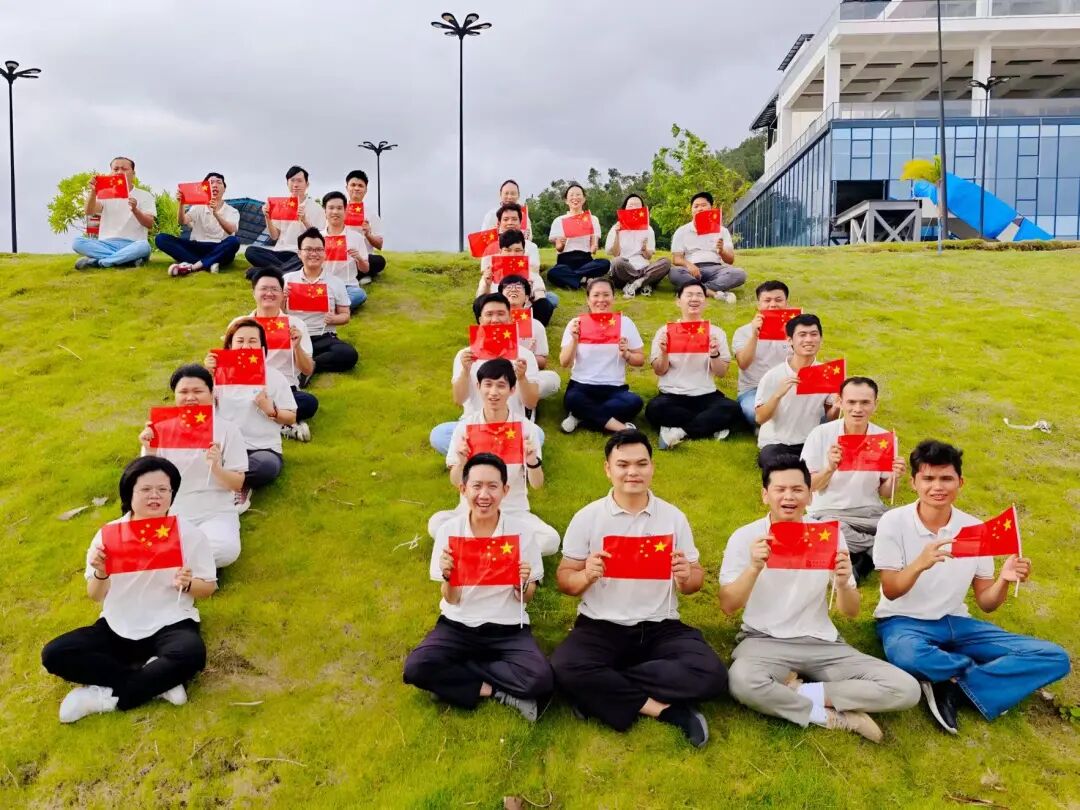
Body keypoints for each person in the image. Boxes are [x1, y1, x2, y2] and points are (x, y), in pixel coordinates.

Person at [874, 440, 1070, 735]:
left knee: (1054, 657)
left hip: (957, 623)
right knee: (908, 655)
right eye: (928, 478)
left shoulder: (975, 529)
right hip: (904, 621)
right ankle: (976, 676)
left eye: (946, 478)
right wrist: (919, 564)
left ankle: (951, 683)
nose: (937, 487)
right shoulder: (893, 521)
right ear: (914, 483)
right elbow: (891, 590)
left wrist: (1003, 579)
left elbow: (986, 603)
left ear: (960, 482)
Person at [721, 455, 921, 742]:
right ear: (765, 495)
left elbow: (851, 611)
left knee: (906, 688)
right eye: (780, 489)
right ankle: (833, 718)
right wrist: (753, 567)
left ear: (810, 495)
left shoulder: (827, 536)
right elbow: (728, 605)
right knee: (741, 681)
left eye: (797, 489)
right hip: (763, 639)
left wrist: (843, 583)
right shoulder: (745, 537)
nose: (789, 497)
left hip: (821, 641)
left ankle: (801, 691)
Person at [550, 430, 728, 747]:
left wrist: (687, 575)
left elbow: (694, 582)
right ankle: (665, 711)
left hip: (660, 625)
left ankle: (600, 688)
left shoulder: (673, 517)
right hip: (601, 625)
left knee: (711, 674)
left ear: (652, 467)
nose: (632, 472)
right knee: (564, 666)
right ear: (608, 469)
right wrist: (586, 575)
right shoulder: (588, 517)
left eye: (641, 464)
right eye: (623, 465)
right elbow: (565, 579)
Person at [41, 457, 216, 723]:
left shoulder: (188, 534)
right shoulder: (109, 535)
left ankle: (105, 698)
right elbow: (95, 595)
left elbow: (209, 587)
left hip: (171, 622)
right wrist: (101, 571)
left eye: (163, 489)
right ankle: (157, 681)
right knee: (55, 654)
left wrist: (189, 583)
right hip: (117, 625)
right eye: (146, 489)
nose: (155, 496)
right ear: (129, 493)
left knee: (191, 654)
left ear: (172, 493)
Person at [403, 453, 553, 721]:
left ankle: (455, 675)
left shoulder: (522, 532)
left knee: (541, 680)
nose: (484, 494)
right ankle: (494, 691)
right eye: (477, 486)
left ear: (505, 490)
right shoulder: (449, 531)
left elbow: (526, 598)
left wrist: (522, 584)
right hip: (458, 624)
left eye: (493, 486)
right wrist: (449, 577)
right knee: (415, 668)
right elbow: (451, 599)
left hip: (508, 626)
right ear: (463, 489)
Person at [429, 359, 560, 555]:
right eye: (488, 385)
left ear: (512, 390)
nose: (493, 392)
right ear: (478, 387)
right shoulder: (465, 427)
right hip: (471, 510)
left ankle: (479, 550)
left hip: (512, 511)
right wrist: (462, 462)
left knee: (550, 541)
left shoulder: (525, 429)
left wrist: (532, 460)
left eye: (501, 386)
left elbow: (537, 484)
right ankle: (500, 551)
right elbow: (456, 481)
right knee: (436, 524)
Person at [139, 364, 247, 568]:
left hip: (216, 511)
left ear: (211, 393)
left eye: (198, 391)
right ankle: (197, 567)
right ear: (175, 395)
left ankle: (174, 565)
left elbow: (237, 484)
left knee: (225, 550)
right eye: (183, 392)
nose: (190, 397)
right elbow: (145, 483)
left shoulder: (228, 430)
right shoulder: (160, 430)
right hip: (173, 509)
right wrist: (150, 450)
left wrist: (216, 467)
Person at [801, 376, 905, 582]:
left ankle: (864, 555)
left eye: (865, 402)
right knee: (829, 532)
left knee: (905, 522)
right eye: (851, 402)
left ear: (875, 404)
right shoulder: (820, 434)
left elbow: (886, 493)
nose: (858, 409)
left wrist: (895, 476)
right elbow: (807, 487)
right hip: (829, 512)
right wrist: (830, 468)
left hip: (870, 511)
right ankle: (877, 548)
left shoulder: (884, 438)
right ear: (840, 402)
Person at [429, 293, 546, 455]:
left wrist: (522, 378)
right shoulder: (465, 355)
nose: (495, 320)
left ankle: (481, 455)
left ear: (510, 318)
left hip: (510, 425)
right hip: (475, 424)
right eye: (489, 314)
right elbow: (459, 399)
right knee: (439, 435)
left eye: (501, 314)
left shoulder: (525, 356)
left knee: (537, 435)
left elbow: (531, 403)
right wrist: (465, 371)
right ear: (480, 319)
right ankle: (498, 455)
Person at [204, 319, 298, 512]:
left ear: (262, 347)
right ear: (229, 346)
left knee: (267, 466)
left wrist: (271, 410)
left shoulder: (274, 376)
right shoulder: (217, 376)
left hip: (261, 449)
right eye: (240, 341)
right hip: (224, 448)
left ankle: (235, 483)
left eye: (252, 341)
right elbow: (201, 413)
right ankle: (226, 478)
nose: (246, 346)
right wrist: (207, 376)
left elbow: (291, 417)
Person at [645, 279, 743, 450]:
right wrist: (664, 352)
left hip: (706, 394)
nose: (694, 299)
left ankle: (678, 431)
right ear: (678, 301)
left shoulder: (716, 333)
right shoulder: (665, 331)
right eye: (689, 295)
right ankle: (710, 426)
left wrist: (714, 353)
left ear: (705, 302)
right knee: (654, 409)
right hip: (672, 394)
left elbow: (721, 372)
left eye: (699, 295)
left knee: (732, 409)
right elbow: (659, 370)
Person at [236, 267, 317, 438]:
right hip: (248, 386)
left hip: (285, 388)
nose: (269, 293)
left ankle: (261, 420)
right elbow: (229, 363)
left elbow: (308, 369)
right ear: (254, 293)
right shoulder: (240, 324)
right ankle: (284, 424)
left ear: (282, 295)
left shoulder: (296, 324)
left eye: (274, 289)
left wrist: (297, 347)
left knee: (308, 402)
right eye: (264, 288)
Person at [559, 277, 644, 434]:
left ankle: (580, 416)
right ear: (588, 299)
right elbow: (564, 362)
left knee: (634, 402)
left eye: (606, 295)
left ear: (613, 297)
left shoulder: (625, 323)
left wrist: (626, 354)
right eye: (596, 295)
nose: (601, 300)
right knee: (573, 399)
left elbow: (640, 359)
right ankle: (622, 428)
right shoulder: (576, 323)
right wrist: (575, 340)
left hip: (614, 388)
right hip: (582, 386)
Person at [755, 314, 839, 468]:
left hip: (809, 441)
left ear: (821, 339)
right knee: (775, 462)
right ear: (789, 340)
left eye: (814, 334)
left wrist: (837, 407)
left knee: (834, 462)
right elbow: (760, 418)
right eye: (802, 335)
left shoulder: (827, 374)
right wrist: (777, 395)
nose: (808, 339)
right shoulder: (773, 376)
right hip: (777, 442)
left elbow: (830, 419)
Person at [282, 228, 358, 376]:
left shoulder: (336, 282)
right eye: (308, 249)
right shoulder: (287, 279)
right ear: (299, 253)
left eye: (318, 250)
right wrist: (282, 299)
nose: (314, 254)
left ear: (324, 253)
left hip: (322, 336)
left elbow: (345, 315)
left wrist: (334, 319)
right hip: (294, 335)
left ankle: (310, 366)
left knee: (348, 354)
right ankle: (303, 362)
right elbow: (277, 314)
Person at [73, 156, 155, 270]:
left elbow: (150, 224)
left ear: (133, 173)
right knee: (77, 242)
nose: (119, 172)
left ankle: (99, 262)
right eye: (115, 169)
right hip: (106, 244)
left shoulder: (145, 195)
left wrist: (135, 210)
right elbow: (89, 211)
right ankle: (126, 260)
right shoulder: (104, 194)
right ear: (111, 173)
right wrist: (93, 191)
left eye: (124, 169)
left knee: (144, 246)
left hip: (133, 244)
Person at [732, 280, 794, 427]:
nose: (773, 304)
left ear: (786, 303)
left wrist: (795, 336)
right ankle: (769, 426)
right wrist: (755, 336)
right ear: (758, 305)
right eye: (767, 300)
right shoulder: (743, 332)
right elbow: (743, 363)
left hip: (787, 387)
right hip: (753, 389)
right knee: (751, 413)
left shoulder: (796, 332)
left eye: (778, 300)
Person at [244, 165, 326, 276]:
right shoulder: (281, 205)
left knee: (307, 258)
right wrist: (267, 217)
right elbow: (274, 236)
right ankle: (283, 271)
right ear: (287, 183)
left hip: (299, 253)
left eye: (299, 181)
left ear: (307, 184)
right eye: (292, 180)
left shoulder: (317, 208)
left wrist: (305, 220)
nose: (295, 185)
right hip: (279, 252)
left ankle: (264, 272)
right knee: (251, 251)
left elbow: (319, 237)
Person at [156, 172, 241, 276]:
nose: (215, 185)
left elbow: (231, 230)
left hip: (219, 247)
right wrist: (181, 203)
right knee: (161, 238)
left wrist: (216, 213)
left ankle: (193, 266)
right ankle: (209, 263)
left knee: (234, 241)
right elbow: (182, 221)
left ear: (224, 189)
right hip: (197, 246)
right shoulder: (198, 207)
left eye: (219, 182)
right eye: (211, 183)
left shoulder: (232, 211)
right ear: (205, 188)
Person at [669, 191, 747, 302]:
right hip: (691, 270)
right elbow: (676, 259)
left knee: (739, 274)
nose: (700, 209)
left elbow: (730, 260)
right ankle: (712, 293)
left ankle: (690, 289)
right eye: (696, 206)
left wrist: (722, 251)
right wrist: (689, 265)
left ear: (711, 208)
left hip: (716, 269)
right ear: (691, 210)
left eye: (703, 205)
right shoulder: (681, 231)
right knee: (674, 272)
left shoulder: (722, 231)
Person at [493, 274, 561, 399]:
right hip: (497, 374)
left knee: (552, 378)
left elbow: (542, 362)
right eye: (508, 287)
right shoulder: (492, 323)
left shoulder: (536, 325)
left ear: (527, 297)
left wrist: (527, 356)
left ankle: (518, 396)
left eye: (518, 287)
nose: (513, 290)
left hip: (525, 374)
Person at [477, 219, 555, 326]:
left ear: (523, 252)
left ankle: (532, 329)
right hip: (499, 313)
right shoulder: (491, 273)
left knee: (546, 303)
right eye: (508, 250)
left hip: (524, 314)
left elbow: (541, 298)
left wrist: (530, 291)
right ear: (500, 252)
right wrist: (487, 284)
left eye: (517, 250)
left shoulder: (531, 273)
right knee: (479, 305)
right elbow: (480, 301)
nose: (513, 254)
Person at [605, 193, 671, 298]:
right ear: (625, 208)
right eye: (630, 205)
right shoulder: (616, 228)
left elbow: (648, 257)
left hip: (643, 268)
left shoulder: (648, 229)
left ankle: (636, 283)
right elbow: (615, 254)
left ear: (642, 210)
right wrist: (617, 234)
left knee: (666, 262)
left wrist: (644, 249)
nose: (633, 208)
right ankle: (645, 282)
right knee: (617, 262)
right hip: (625, 269)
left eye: (637, 206)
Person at [546, 183, 610, 290]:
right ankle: (583, 279)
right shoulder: (559, 220)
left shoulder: (592, 219)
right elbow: (559, 248)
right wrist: (562, 243)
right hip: (565, 261)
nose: (575, 198)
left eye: (578, 195)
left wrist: (594, 247)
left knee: (605, 263)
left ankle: (574, 278)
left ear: (584, 199)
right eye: (571, 195)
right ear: (566, 200)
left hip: (586, 260)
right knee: (553, 272)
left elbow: (593, 247)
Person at [321, 191, 369, 310]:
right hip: (322, 285)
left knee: (359, 294)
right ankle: (337, 308)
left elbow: (365, 269)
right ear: (325, 211)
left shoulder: (356, 237)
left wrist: (359, 259)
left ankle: (326, 308)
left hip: (347, 286)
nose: (335, 212)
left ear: (345, 210)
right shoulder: (317, 237)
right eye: (331, 208)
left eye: (339, 208)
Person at [344, 170, 386, 280]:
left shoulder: (372, 214)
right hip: (341, 254)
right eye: (353, 185)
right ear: (347, 187)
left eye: (360, 186)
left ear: (366, 190)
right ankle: (361, 276)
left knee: (379, 261)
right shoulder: (338, 210)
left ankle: (358, 274)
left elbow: (379, 245)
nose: (356, 188)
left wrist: (368, 234)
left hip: (363, 257)